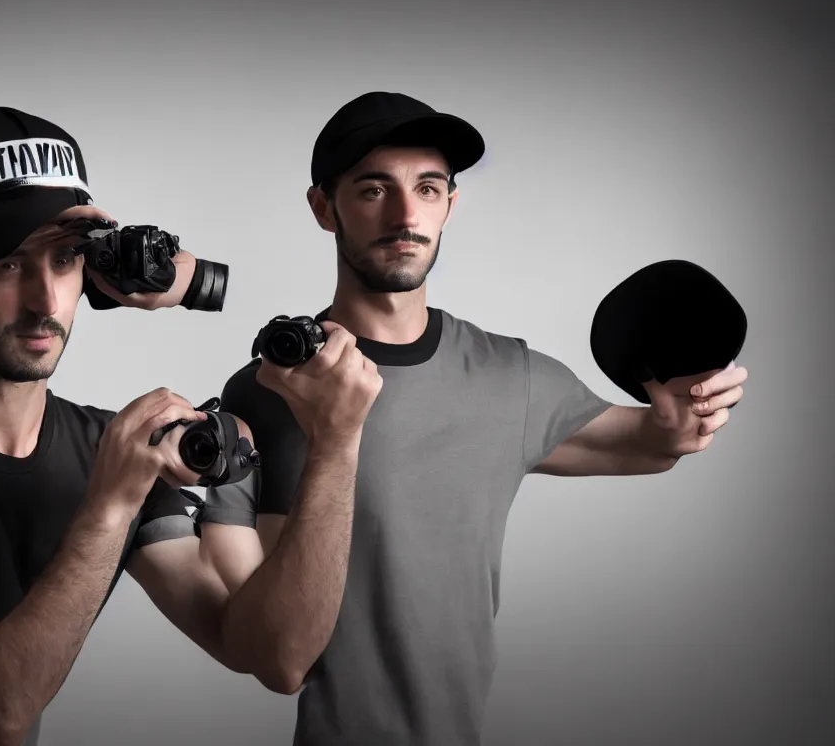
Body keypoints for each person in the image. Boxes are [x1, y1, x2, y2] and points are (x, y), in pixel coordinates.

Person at [0, 101, 382, 746]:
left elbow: (276, 658)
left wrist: (336, 445)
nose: (45, 302)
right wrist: (106, 511)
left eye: (65, 260)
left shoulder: (108, 449)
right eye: (7, 265)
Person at [195, 91, 751, 746]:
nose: (406, 214)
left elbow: (650, 442)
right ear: (325, 207)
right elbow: (279, 656)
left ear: (449, 206)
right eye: (374, 190)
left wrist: (688, 408)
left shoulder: (510, 378)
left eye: (428, 189)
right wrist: (333, 437)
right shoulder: (267, 392)